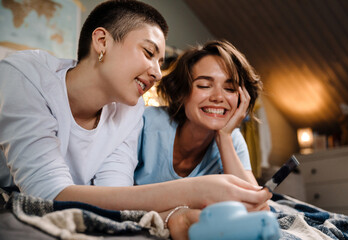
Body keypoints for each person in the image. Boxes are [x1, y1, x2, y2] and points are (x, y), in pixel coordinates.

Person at [0, 0, 271, 238]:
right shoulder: (23, 75)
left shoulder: (129, 110)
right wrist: (192, 190)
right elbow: (47, 196)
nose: (157, 73)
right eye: (148, 53)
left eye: (160, 62)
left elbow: (116, 198)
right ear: (102, 41)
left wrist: (177, 215)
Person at [136, 40, 262, 190]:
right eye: (204, 86)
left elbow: (255, 204)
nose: (218, 97)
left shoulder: (232, 139)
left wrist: (224, 138)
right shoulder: (144, 123)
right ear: (181, 92)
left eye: (229, 88)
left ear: (242, 99)